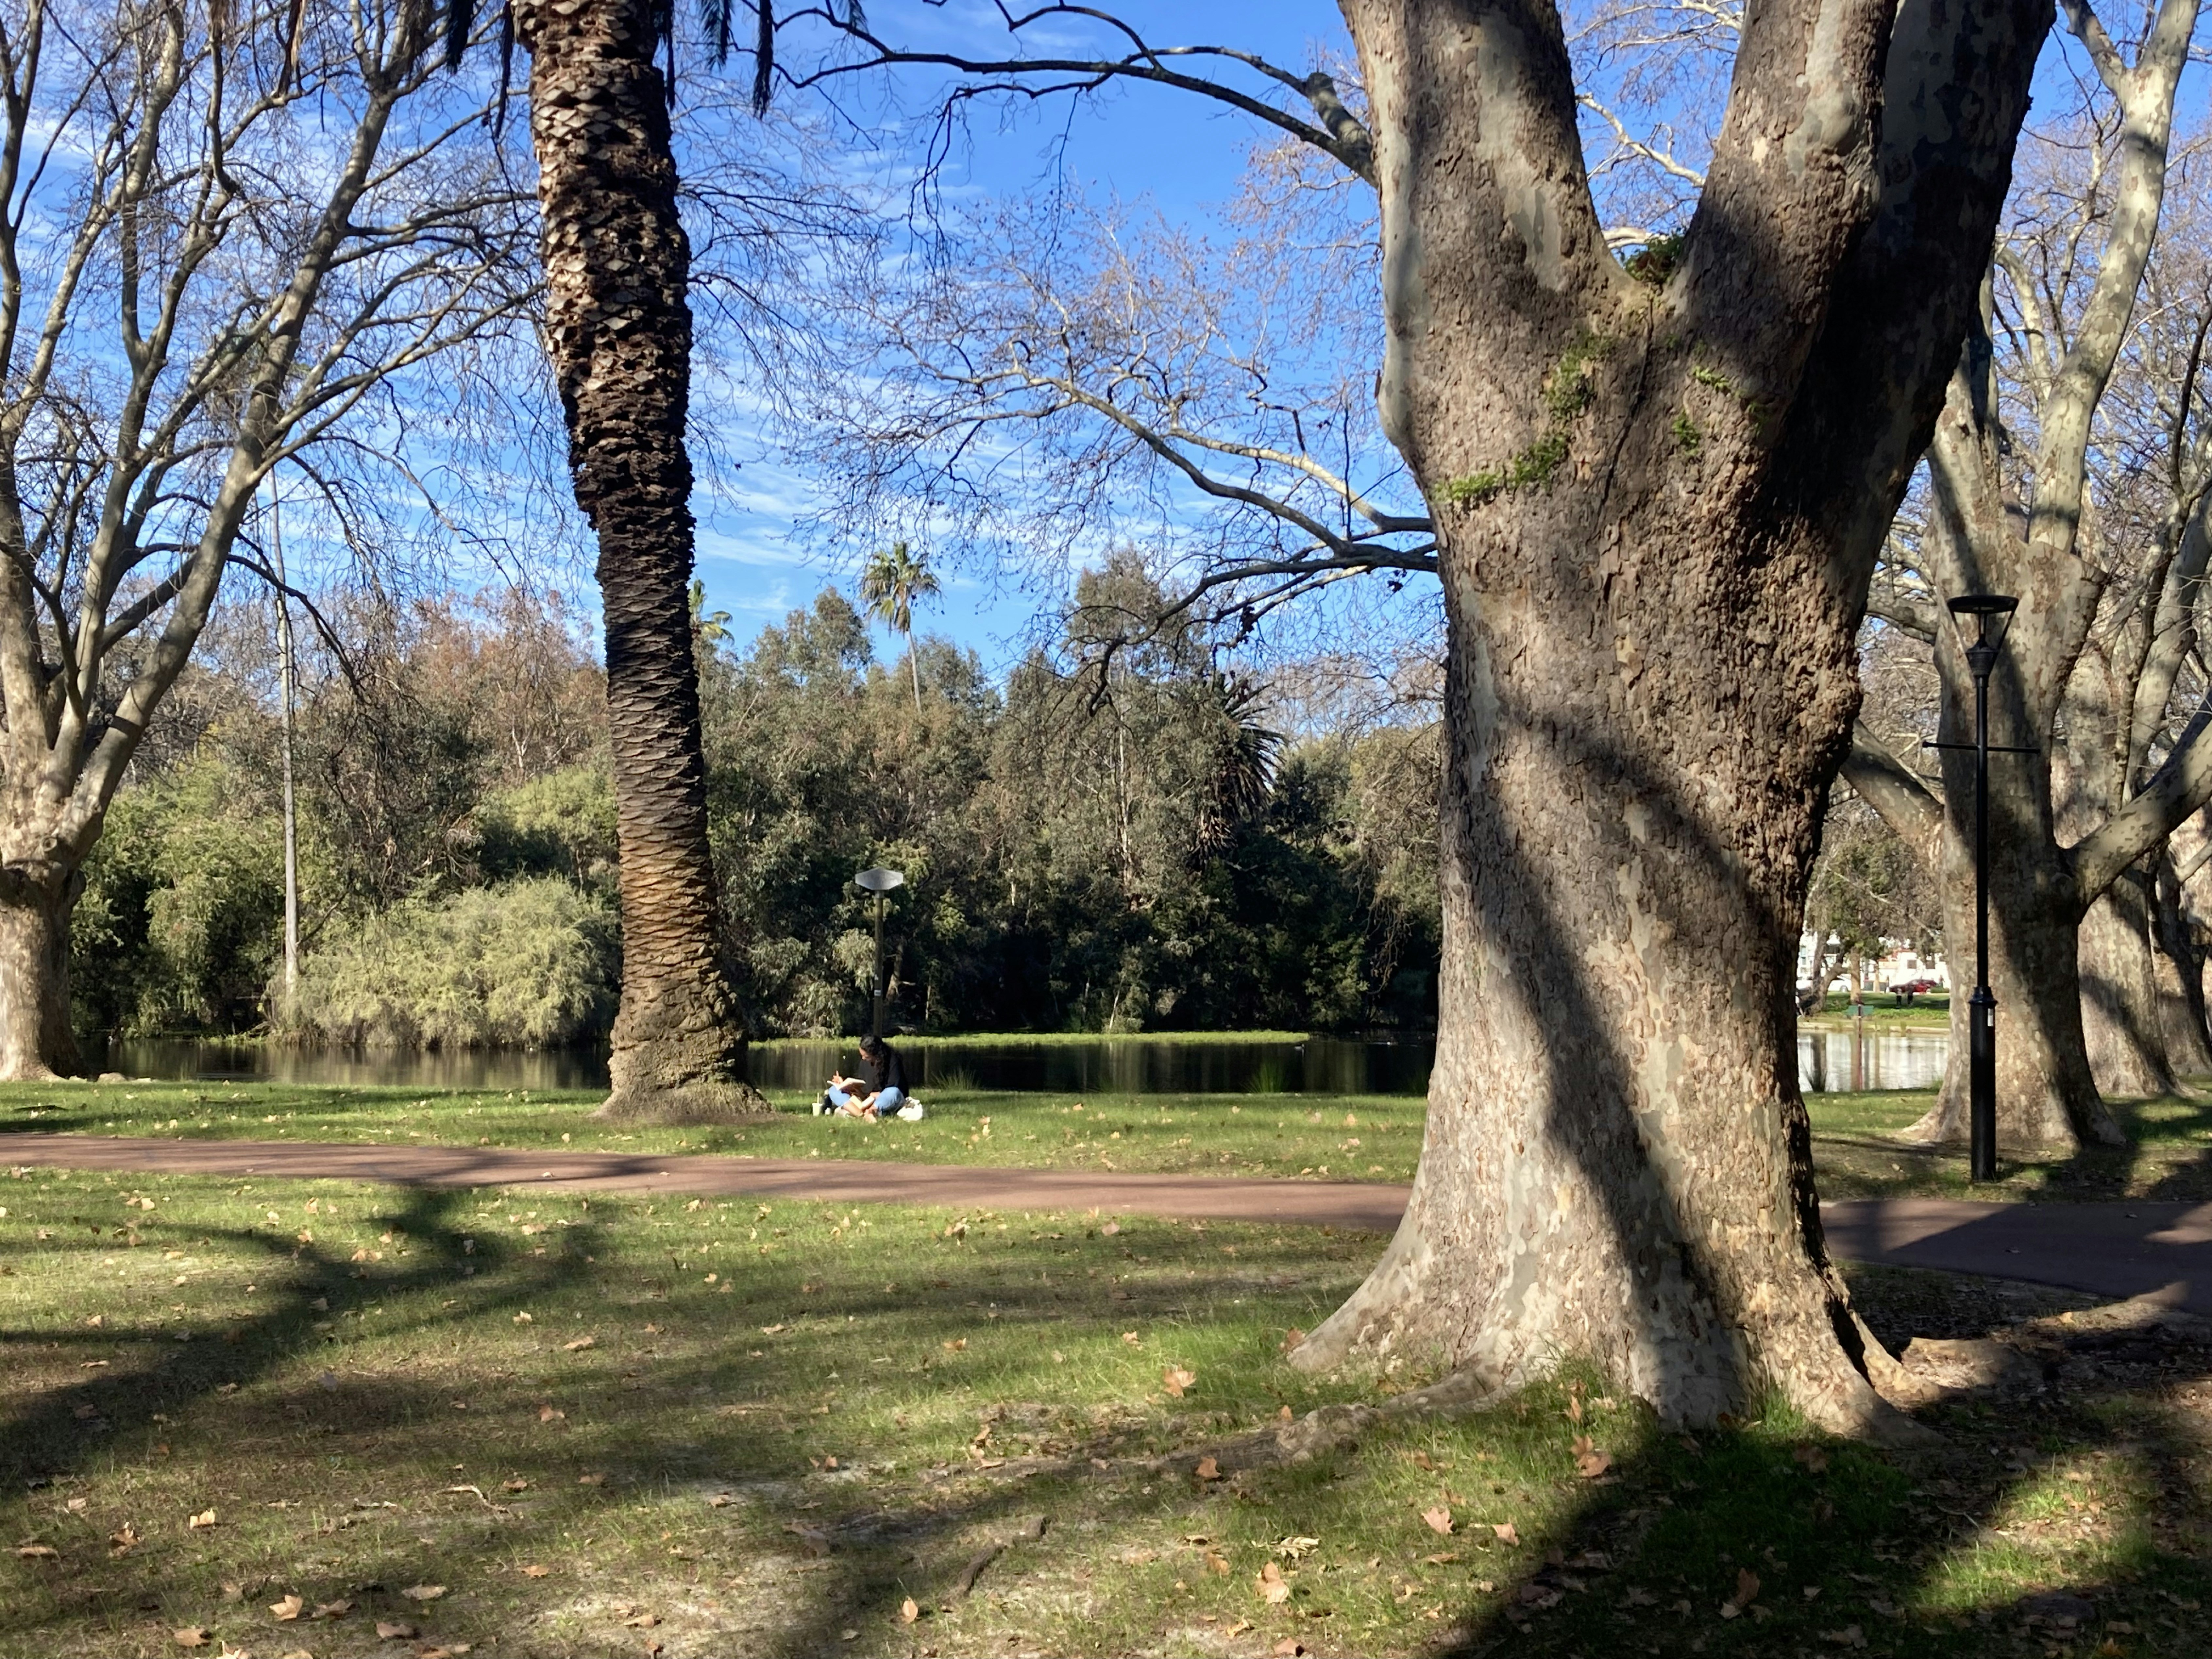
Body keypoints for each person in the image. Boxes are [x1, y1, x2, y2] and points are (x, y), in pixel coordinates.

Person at [814, 1033, 920, 1120]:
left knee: (893, 1092)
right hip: (865, 1099)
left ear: (876, 1055)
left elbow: (895, 1088)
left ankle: (872, 1111)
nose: (864, 1059)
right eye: (862, 1056)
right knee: (834, 1091)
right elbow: (861, 1083)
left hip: (885, 1099)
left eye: (867, 1057)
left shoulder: (893, 1060)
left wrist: (876, 1096)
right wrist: (844, 1084)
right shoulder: (865, 1062)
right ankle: (860, 1114)